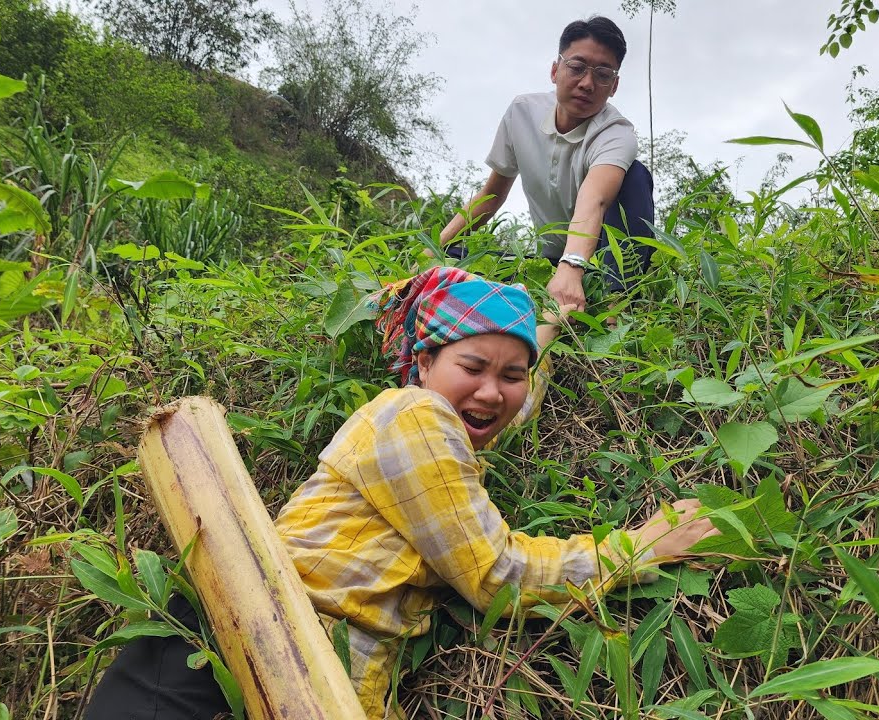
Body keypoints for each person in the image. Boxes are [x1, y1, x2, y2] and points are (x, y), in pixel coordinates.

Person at [85, 268, 717, 719]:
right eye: (471, 368)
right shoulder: (416, 416)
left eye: (512, 375)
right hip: (213, 665)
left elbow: (511, 400)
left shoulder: (450, 436)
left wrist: (551, 318)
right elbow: (499, 577)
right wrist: (643, 545)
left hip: (284, 671)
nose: (493, 391)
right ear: (423, 364)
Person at [441, 16, 656, 314]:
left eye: (603, 74)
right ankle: (555, 288)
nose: (587, 83)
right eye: (577, 68)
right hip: (551, 262)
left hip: (598, 264)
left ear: (614, 85)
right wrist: (432, 247)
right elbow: (491, 196)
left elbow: (595, 199)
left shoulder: (617, 133)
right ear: (555, 70)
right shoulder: (522, 113)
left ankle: (615, 304)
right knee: (454, 259)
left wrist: (573, 267)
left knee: (635, 176)